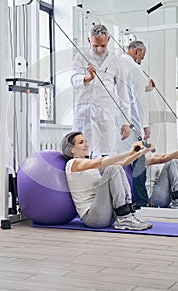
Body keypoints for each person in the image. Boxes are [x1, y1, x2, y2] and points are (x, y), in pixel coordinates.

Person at [61, 131, 153, 231]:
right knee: (112, 169)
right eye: (81, 142)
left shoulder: (89, 163)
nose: (86, 145)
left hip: (106, 213)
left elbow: (124, 163)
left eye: (86, 141)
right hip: (93, 217)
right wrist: (129, 152)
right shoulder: (73, 164)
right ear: (72, 149)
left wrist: (141, 152)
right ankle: (124, 218)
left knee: (117, 167)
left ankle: (128, 214)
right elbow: (100, 162)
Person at [71, 24, 131, 158]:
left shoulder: (117, 61)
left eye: (102, 46)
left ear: (108, 39)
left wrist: (126, 122)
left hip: (105, 114)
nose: (99, 49)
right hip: (84, 112)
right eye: (95, 46)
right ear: (88, 41)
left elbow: (123, 94)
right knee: (82, 154)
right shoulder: (81, 57)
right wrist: (87, 78)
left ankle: (105, 179)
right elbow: (73, 79)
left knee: (106, 154)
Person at [117, 40, 155, 208]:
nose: (142, 60)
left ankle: (125, 200)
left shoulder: (118, 63)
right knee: (138, 161)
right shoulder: (134, 68)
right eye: (142, 57)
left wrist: (146, 87)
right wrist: (145, 126)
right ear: (138, 51)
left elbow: (126, 92)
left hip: (115, 120)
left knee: (119, 161)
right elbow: (138, 101)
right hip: (131, 122)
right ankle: (141, 201)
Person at [145, 142, 178, 209]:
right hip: (153, 199)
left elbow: (172, 156)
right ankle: (177, 199)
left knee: (174, 160)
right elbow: (163, 158)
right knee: (171, 162)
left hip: (162, 194)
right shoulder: (141, 159)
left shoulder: (151, 155)